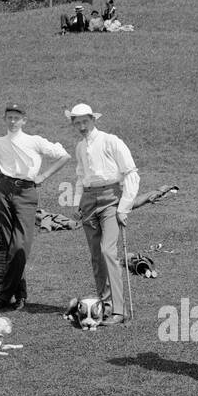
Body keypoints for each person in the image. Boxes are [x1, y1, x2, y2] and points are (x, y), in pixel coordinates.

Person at [0, 103, 70, 312]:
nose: (13, 121)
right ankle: (19, 294)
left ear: (24, 120)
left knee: (20, 245)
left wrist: (43, 176)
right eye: (9, 117)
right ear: (5, 119)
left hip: (26, 191)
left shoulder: (35, 141)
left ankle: (3, 295)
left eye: (17, 117)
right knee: (6, 243)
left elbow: (64, 156)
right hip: (4, 189)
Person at [66, 102, 140, 327]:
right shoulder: (79, 147)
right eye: (77, 123)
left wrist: (124, 206)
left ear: (93, 120)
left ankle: (119, 311)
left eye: (84, 122)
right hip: (88, 202)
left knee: (108, 251)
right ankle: (103, 307)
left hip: (110, 199)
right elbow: (80, 175)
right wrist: (77, 202)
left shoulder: (111, 140)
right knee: (96, 256)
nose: (81, 126)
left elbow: (131, 173)